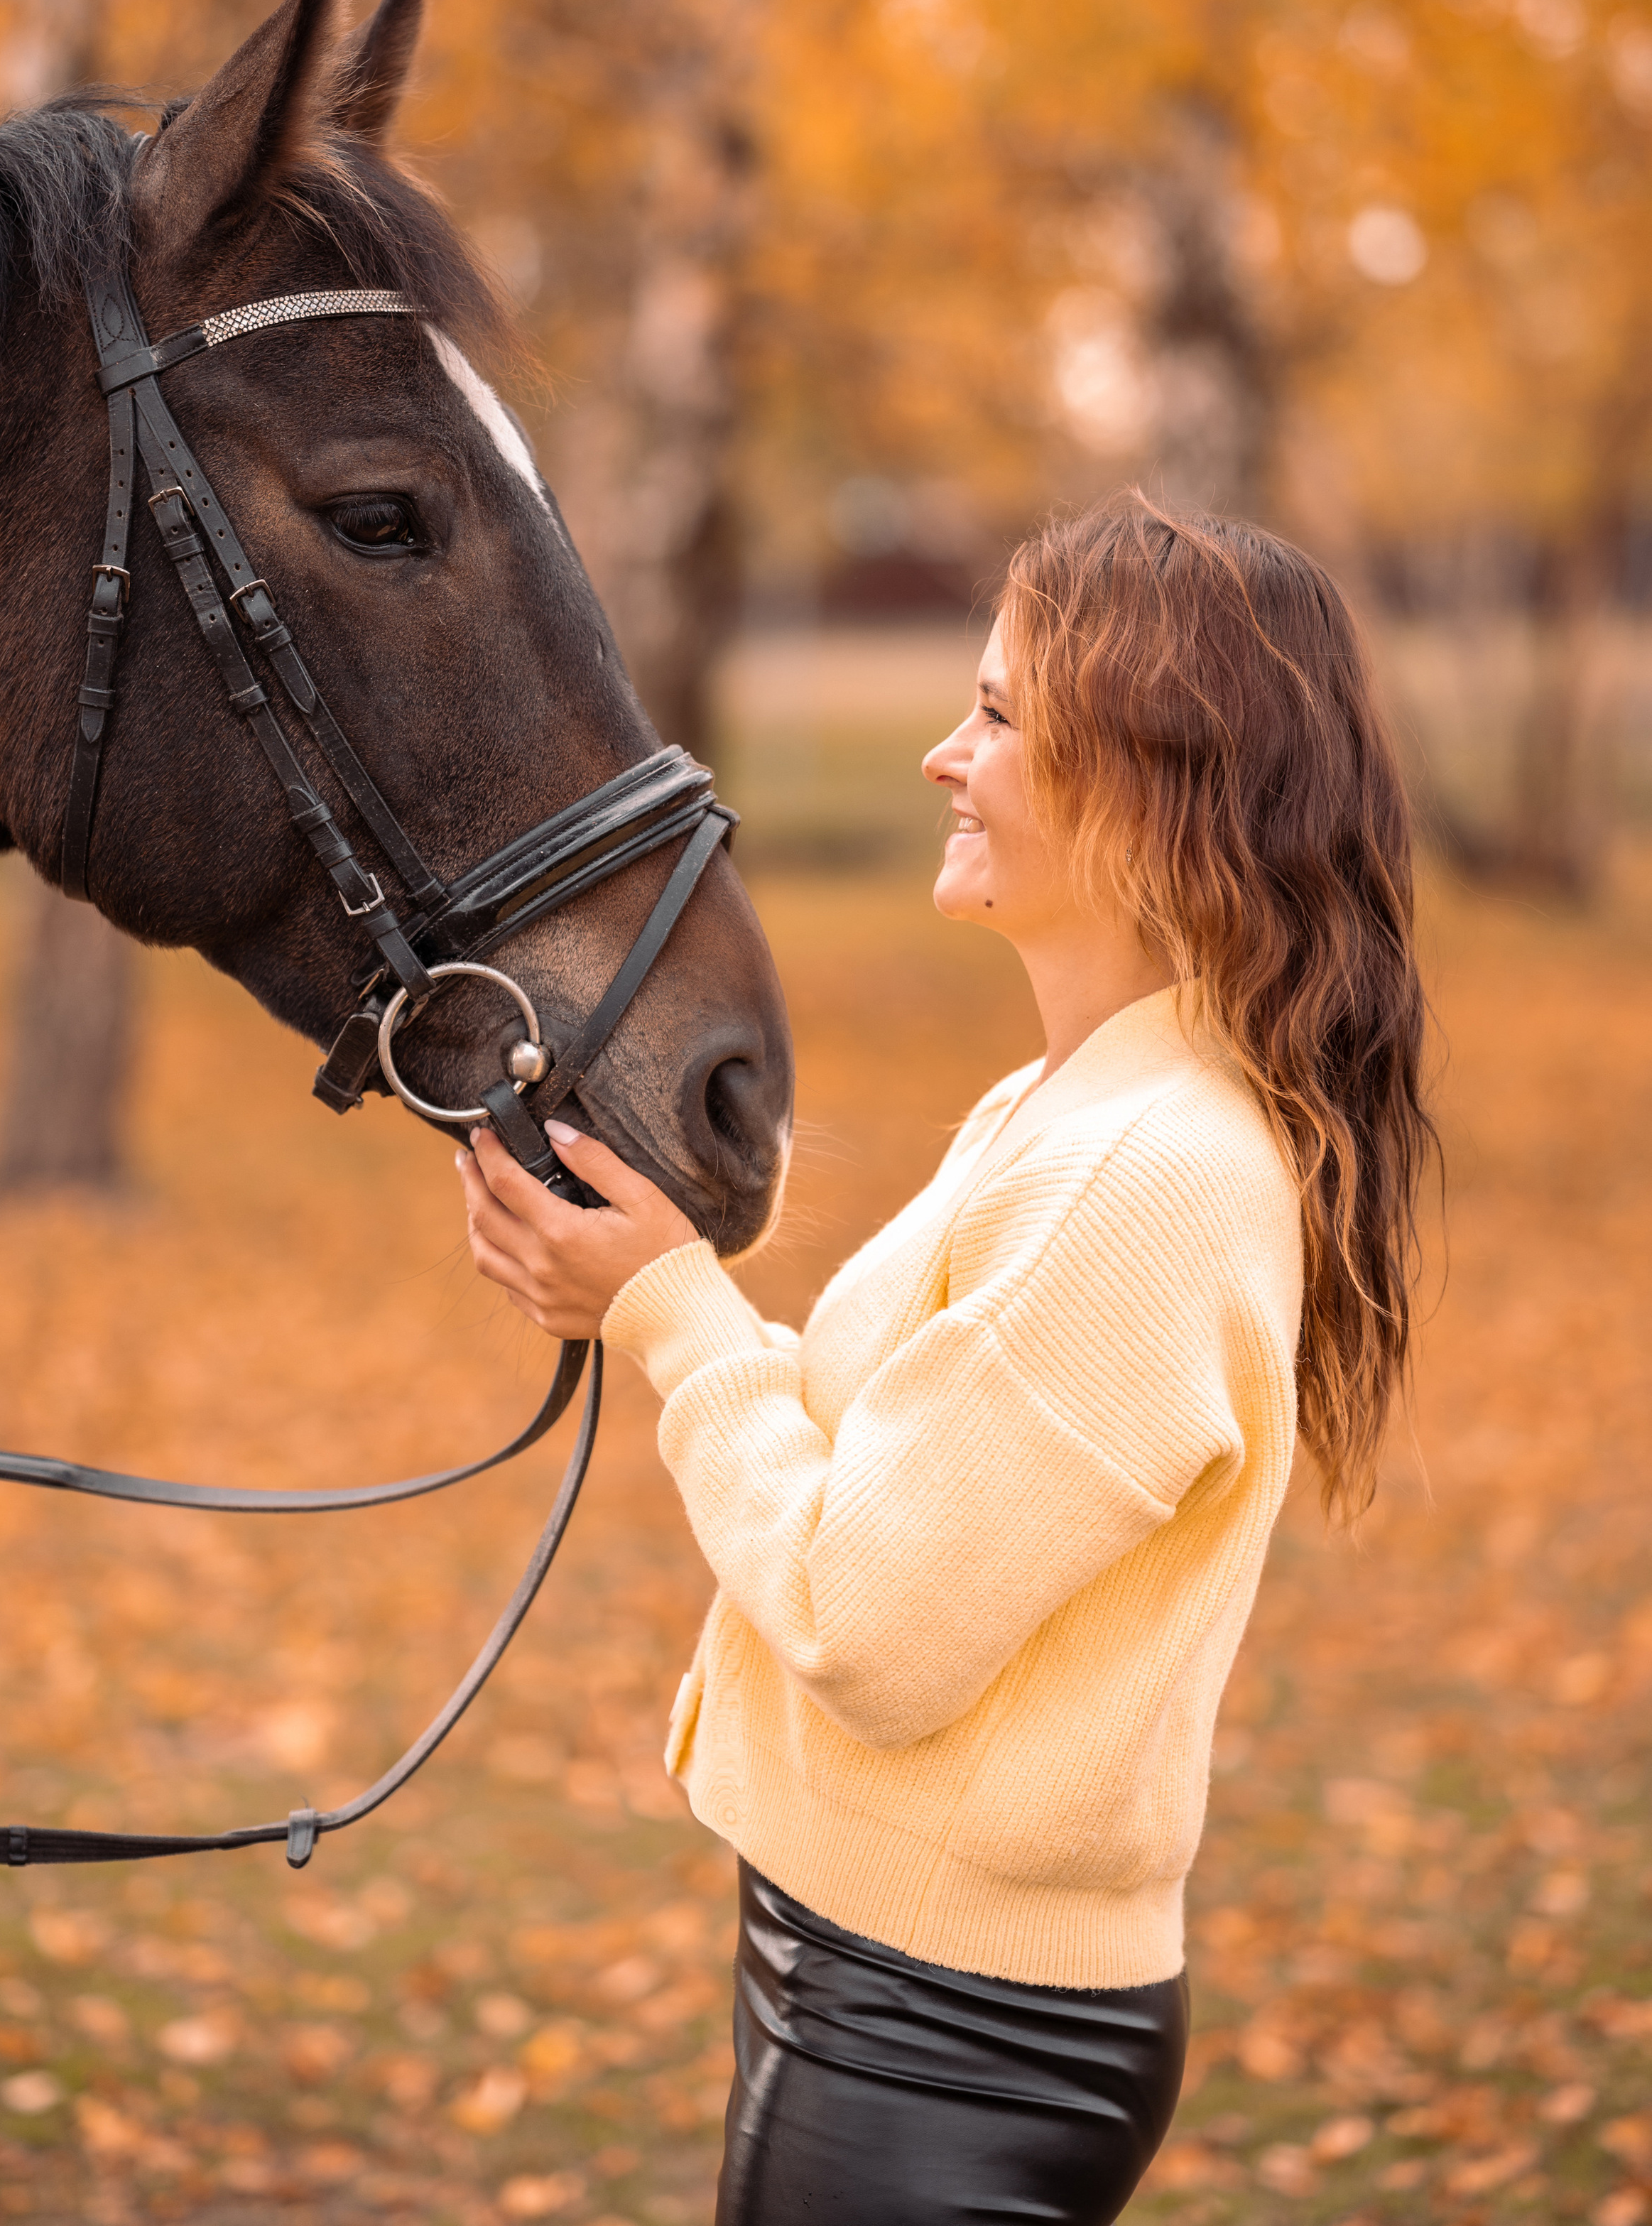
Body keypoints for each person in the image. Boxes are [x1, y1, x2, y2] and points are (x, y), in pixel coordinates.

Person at [458, 498, 1435, 2226]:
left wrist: (678, 1313)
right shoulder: (1073, 1108)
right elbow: (916, 1476)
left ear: (1152, 777)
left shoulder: (1142, 1175)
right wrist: (625, 1282)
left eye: (994, 713)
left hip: (943, 2037)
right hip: (887, 1987)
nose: (941, 755)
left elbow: (870, 1623)